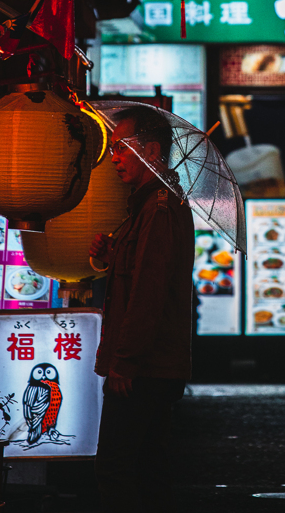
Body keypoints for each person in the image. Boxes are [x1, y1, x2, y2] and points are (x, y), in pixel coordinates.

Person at [89, 105, 195, 512]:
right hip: (150, 366)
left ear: (151, 151)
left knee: (116, 467)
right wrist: (111, 254)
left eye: (121, 148)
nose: (114, 157)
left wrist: (124, 361)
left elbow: (149, 289)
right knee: (148, 466)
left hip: (145, 368)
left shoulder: (159, 208)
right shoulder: (146, 206)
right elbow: (140, 270)